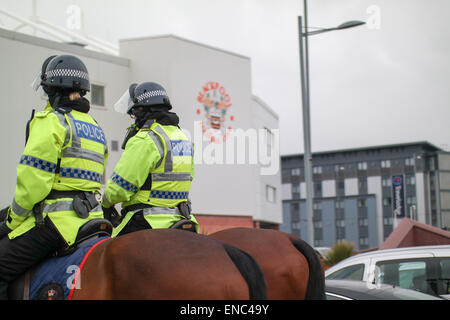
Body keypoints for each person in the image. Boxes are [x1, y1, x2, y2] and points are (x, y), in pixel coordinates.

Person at [0, 54, 108, 299]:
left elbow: (32, 184)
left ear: (51, 88)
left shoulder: (50, 121)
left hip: (57, 223)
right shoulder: (94, 126)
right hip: (92, 219)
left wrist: (12, 221)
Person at [102, 82, 198, 236]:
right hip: (182, 220)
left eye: (133, 115)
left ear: (141, 110)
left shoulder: (145, 139)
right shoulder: (183, 138)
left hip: (147, 222)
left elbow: (121, 186)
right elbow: (189, 177)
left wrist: (105, 202)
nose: (133, 119)